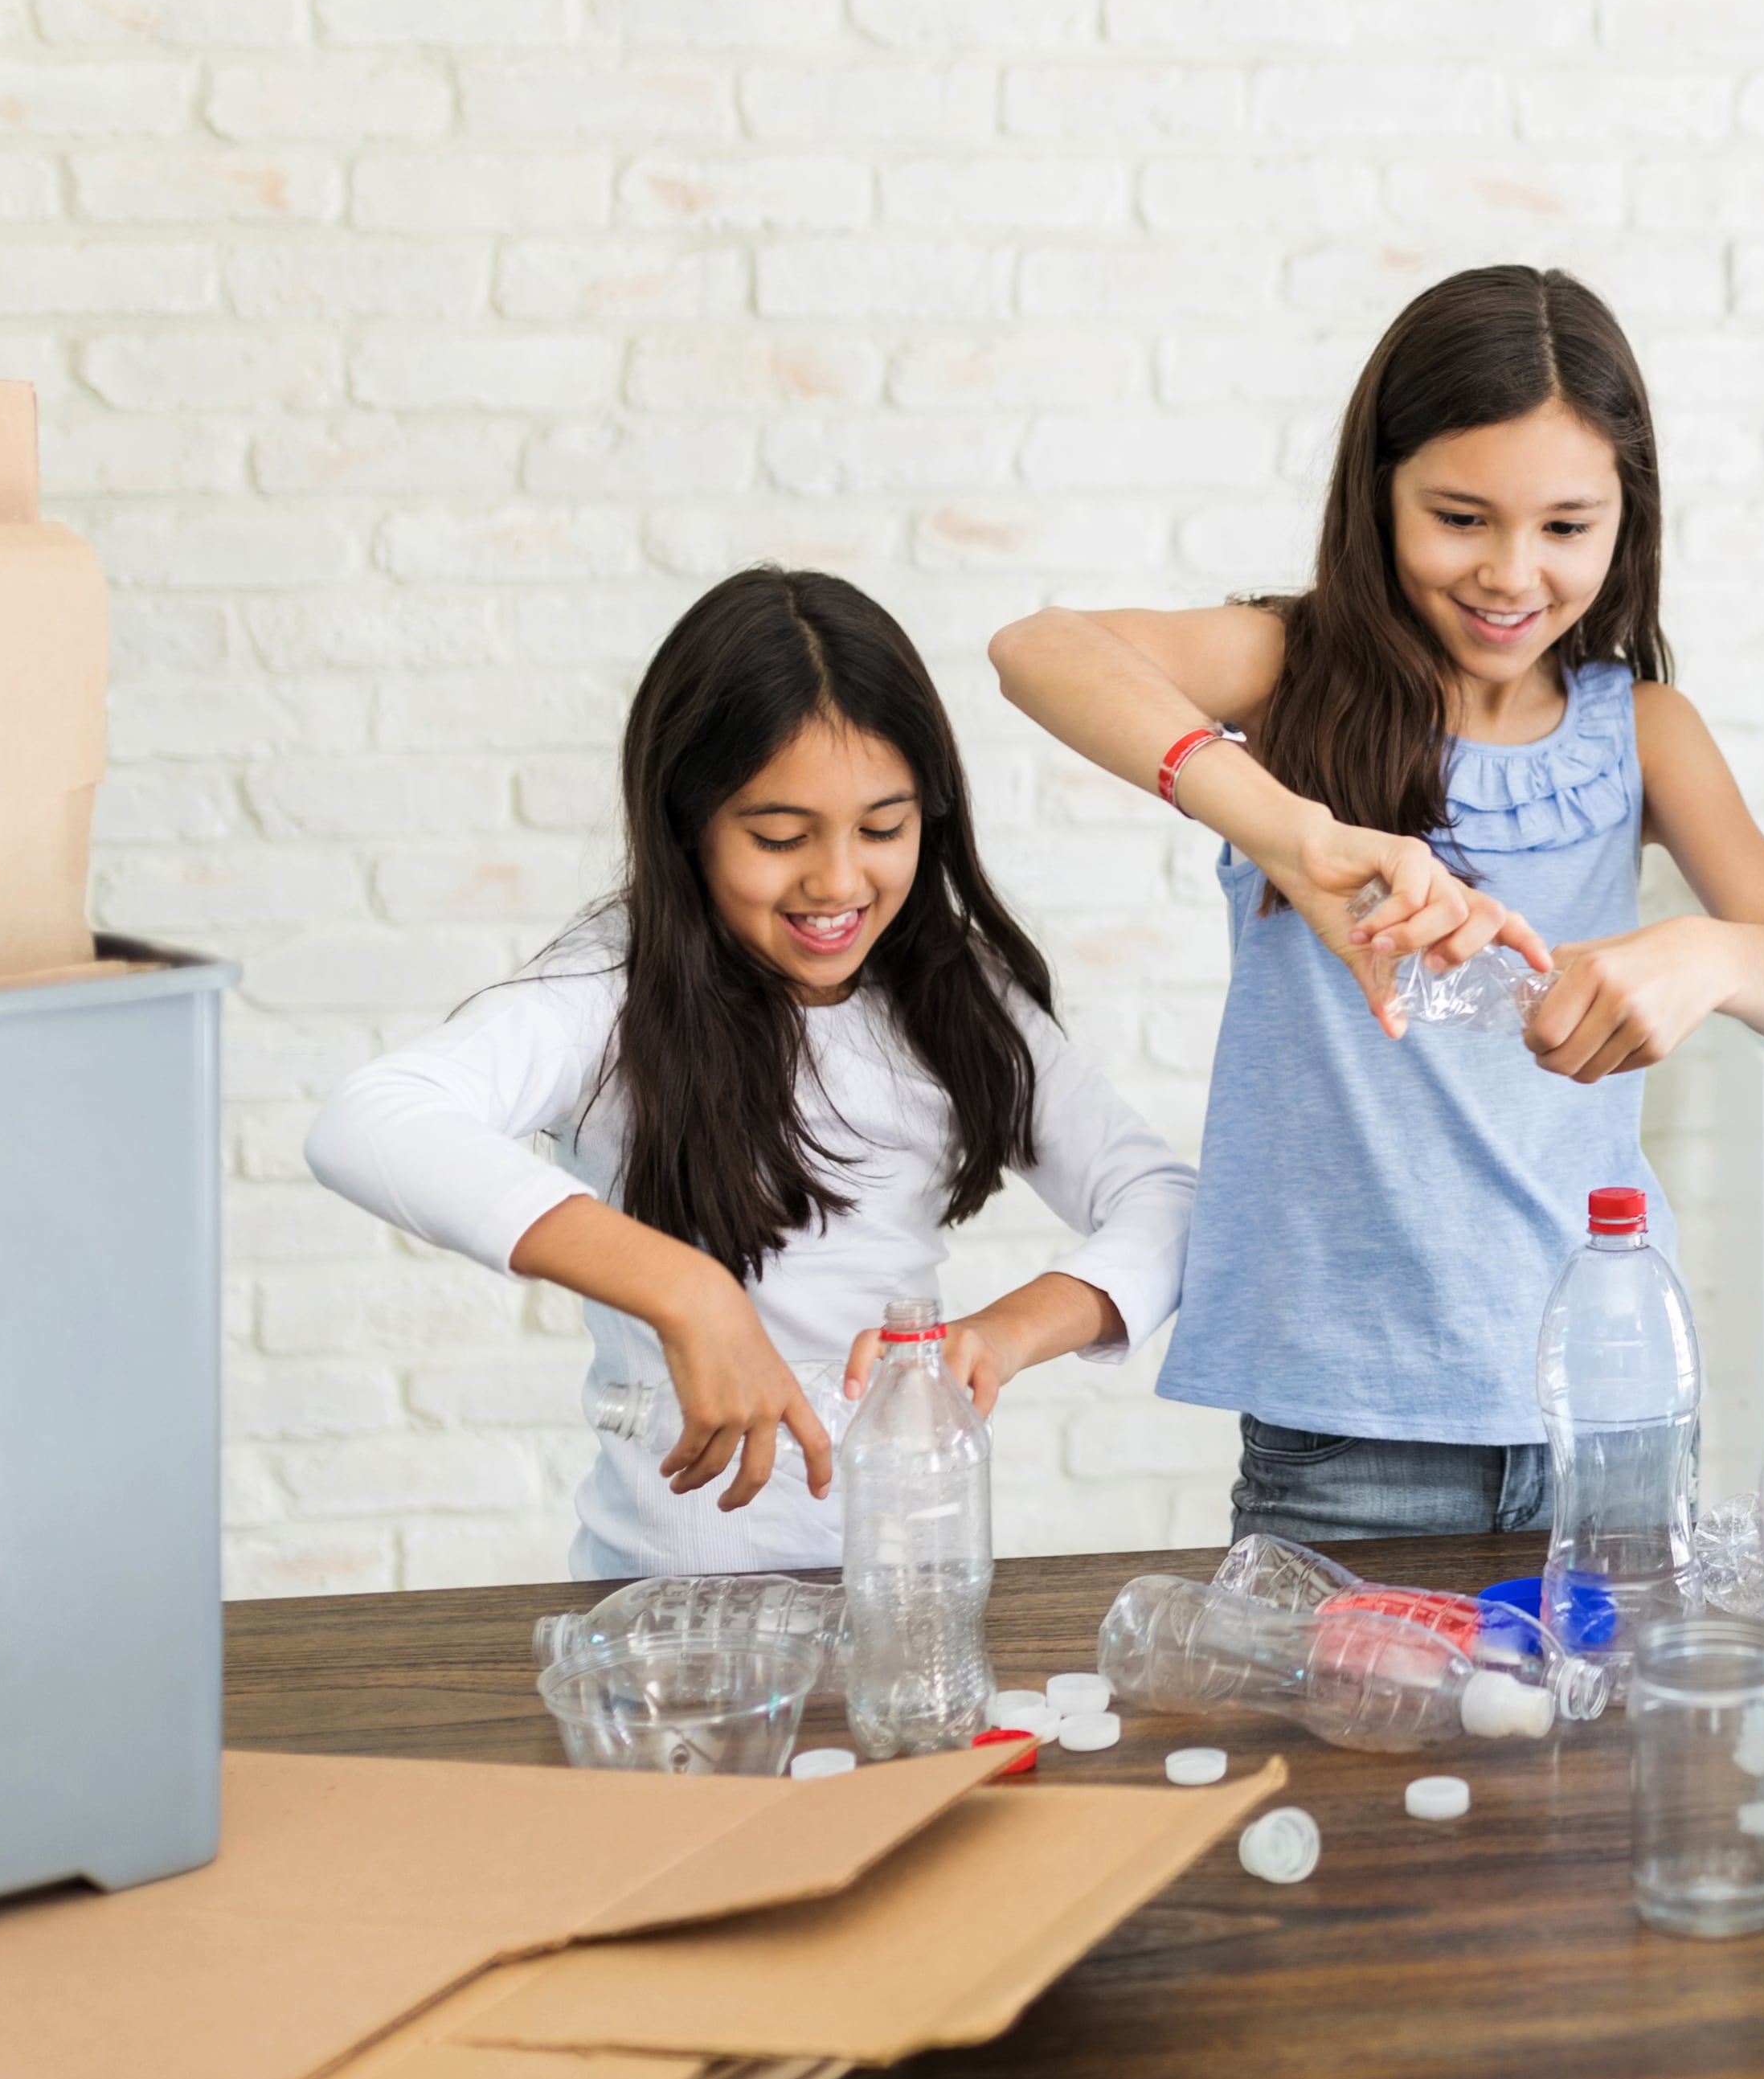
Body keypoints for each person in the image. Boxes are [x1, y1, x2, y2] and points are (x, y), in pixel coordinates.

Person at [992, 264, 1764, 1541]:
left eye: (1567, 526)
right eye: (1460, 517)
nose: (1512, 572)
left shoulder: (1644, 729)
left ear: (1627, 521)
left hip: (1610, 1403)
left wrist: (1707, 955)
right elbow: (1036, 650)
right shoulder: (1286, 670)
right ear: (1379, 492)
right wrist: (1289, 832)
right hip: (1349, 1424)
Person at [305, 567, 1193, 1581]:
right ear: (687, 822)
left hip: (908, 1588)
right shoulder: (606, 992)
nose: (838, 881)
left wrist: (999, 1336)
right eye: (779, 837)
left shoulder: (955, 990)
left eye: (884, 828)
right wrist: (688, 1291)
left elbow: (1163, 1199)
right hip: (665, 1602)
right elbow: (371, 1120)